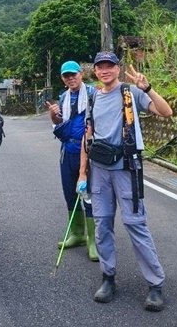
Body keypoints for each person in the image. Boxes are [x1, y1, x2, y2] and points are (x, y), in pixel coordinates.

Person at [77, 51, 173, 312]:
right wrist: (82, 174)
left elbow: (166, 112)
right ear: (95, 71)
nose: (105, 70)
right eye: (100, 67)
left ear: (117, 69)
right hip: (99, 171)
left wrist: (149, 89)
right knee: (102, 224)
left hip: (126, 169)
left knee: (135, 224)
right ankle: (108, 278)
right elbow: (87, 136)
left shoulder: (131, 92)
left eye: (110, 66)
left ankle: (155, 285)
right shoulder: (94, 97)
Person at [45, 60, 98, 261]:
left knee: (90, 195)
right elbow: (60, 124)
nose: (70, 78)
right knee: (70, 193)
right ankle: (77, 234)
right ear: (63, 79)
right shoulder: (63, 97)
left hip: (89, 151)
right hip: (67, 151)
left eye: (73, 74)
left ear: (81, 74)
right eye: (66, 76)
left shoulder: (93, 94)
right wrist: (53, 117)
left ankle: (93, 240)